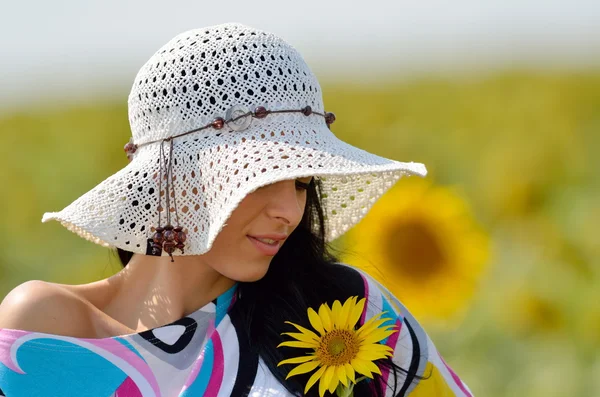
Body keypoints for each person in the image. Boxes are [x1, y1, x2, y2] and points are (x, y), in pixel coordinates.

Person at [0, 23, 473, 397]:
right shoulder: (48, 328)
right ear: (176, 177)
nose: (289, 212)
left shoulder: (349, 312)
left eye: (303, 182)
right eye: (261, 179)